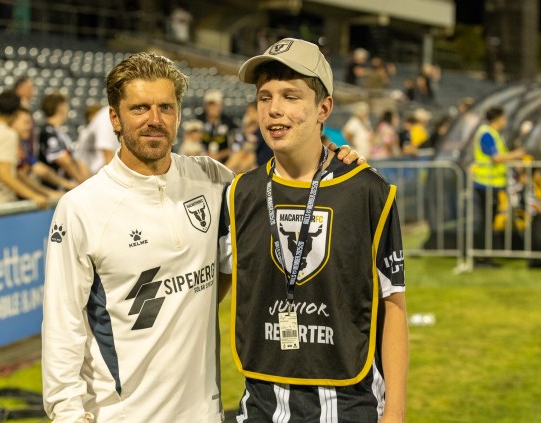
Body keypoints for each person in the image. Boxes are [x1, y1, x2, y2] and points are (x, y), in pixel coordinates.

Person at [41, 50, 362, 422]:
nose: (154, 120)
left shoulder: (211, 179)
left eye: (165, 107)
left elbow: (271, 206)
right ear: (115, 117)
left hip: (204, 413)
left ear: (179, 114)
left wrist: (332, 161)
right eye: (140, 108)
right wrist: (68, 414)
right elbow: (63, 326)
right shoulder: (81, 208)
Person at [222, 37, 408, 422]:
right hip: (262, 406)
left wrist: (396, 412)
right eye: (264, 97)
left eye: (291, 97)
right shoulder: (240, 193)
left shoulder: (367, 191)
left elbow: (393, 304)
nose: (274, 109)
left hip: (350, 405)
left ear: (324, 108)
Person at [472, 106, 526, 266]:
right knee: (485, 222)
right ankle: (481, 258)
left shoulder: (492, 134)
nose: (505, 121)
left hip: (492, 184)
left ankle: (484, 256)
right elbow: (496, 158)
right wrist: (516, 155)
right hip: (486, 183)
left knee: (488, 221)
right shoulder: (487, 134)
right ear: (498, 119)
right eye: (504, 118)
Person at [37, 92, 90, 186]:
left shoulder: (58, 132)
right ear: (60, 108)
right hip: (56, 187)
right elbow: (62, 160)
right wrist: (80, 180)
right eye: (66, 106)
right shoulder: (48, 131)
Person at [196, 89, 240, 164]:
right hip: (202, 159)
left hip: (224, 161)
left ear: (221, 106)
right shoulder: (198, 121)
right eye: (210, 105)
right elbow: (191, 141)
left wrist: (219, 155)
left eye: (215, 105)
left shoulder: (229, 123)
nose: (213, 108)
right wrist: (204, 154)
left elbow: (235, 146)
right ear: (205, 106)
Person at [75, 104, 121, 175]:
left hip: (98, 172)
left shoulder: (105, 119)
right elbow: (107, 153)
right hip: (95, 173)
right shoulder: (104, 118)